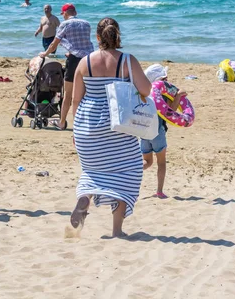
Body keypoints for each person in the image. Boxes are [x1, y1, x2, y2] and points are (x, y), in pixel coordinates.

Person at [69, 17, 152, 238]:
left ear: (97, 37)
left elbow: (76, 99)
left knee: (92, 172)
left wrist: (76, 131)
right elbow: (146, 89)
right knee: (129, 172)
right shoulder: (127, 60)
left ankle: (84, 199)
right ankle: (116, 230)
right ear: (118, 36)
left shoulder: (84, 62)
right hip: (117, 127)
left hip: (86, 126)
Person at [39, 3, 93, 130]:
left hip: (74, 60)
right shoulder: (86, 24)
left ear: (65, 13)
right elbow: (82, 42)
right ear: (75, 12)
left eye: (62, 14)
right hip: (89, 60)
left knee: (68, 94)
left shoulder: (65, 24)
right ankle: (85, 121)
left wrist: (45, 53)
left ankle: (62, 122)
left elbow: (54, 44)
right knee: (85, 92)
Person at [141, 64, 186, 199]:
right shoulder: (161, 93)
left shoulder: (145, 92)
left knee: (147, 162)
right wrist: (178, 96)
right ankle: (159, 191)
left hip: (143, 132)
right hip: (157, 132)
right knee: (161, 162)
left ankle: (130, 172)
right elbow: (169, 111)